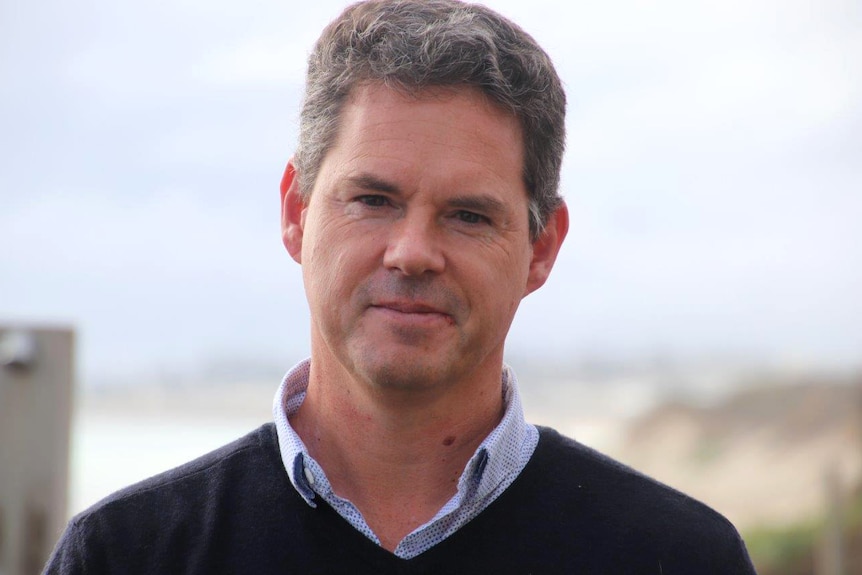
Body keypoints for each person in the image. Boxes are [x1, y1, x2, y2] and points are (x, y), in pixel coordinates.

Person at [44, 1, 756, 573]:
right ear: (296, 212)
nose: (413, 252)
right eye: (373, 199)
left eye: (469, 215)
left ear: (541, 248)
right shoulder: (126, 553)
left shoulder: (680, 557)